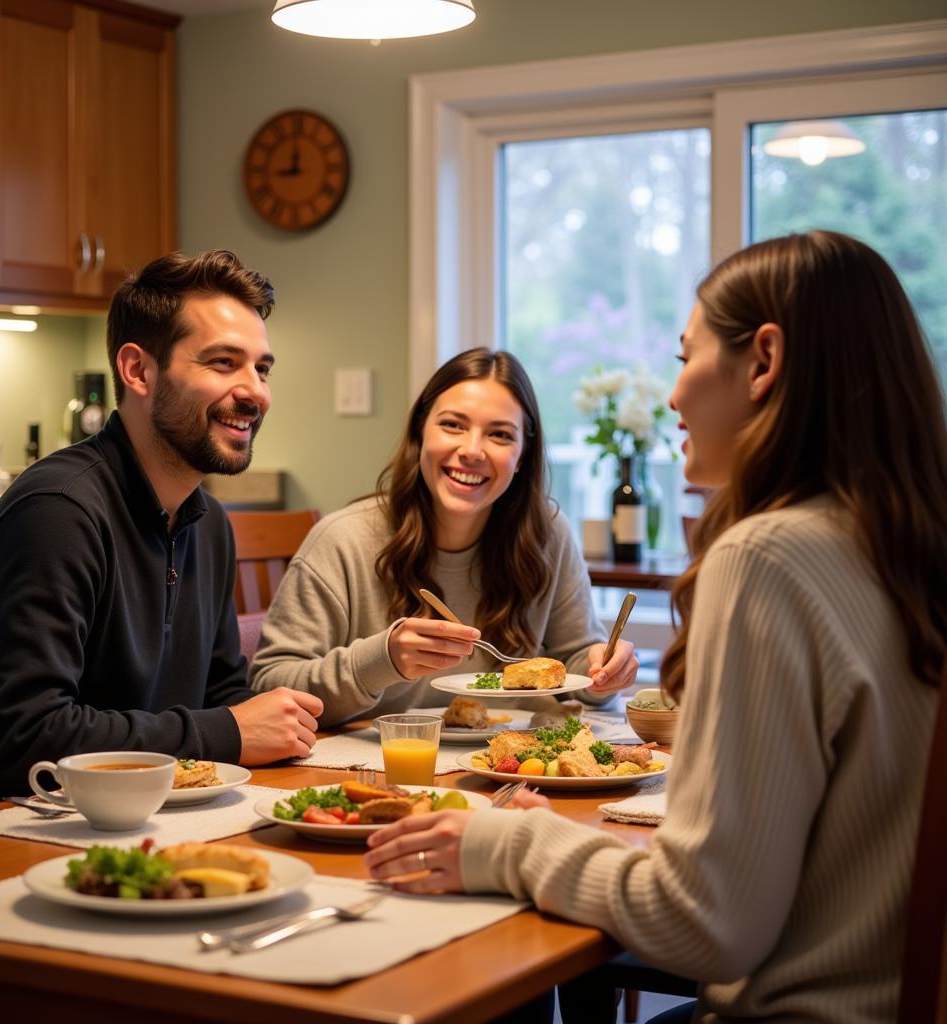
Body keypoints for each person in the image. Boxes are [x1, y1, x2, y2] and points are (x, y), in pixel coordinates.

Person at [363, 231, 947, 1023]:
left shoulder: (770, 557)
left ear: (764, 361)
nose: (672, 396)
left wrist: (502, 845)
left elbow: (704, 923)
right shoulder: (903, 546)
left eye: (685, 357)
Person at [0, 250, 323, 817]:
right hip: (4, 837)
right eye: (223, 362)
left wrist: (270, 721)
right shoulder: (57, 513)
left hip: (148, 820)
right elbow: (22, 742)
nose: (254, 391)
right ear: (138, 371)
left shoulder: (208, 525)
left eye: (261, 368)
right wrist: (227, 733)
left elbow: (223, 699)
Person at [249, 347, 637, 727]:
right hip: (379, 772)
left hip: (513, 769)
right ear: (421, 431)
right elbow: (269, 687)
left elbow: (576, 669)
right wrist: (381, 660)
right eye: (452, 425)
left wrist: (602, 671)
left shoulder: (548, 534)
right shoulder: (343, 540)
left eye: (500, 435)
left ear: (521, 456)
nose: (471, 450)